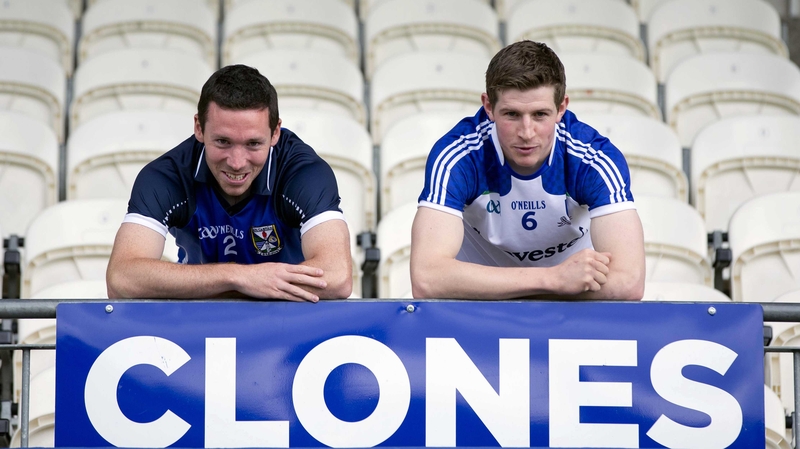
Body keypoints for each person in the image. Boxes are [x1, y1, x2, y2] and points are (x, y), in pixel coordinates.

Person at [410, 41, 645, 300]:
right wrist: (552, 280)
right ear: (488, 107)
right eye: (511, 114)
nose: (526, 132)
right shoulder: (459, 155)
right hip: (482, 307)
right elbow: (426, 278)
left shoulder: (593, 157)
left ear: (562, 108)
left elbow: (628, 281)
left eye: (540, 114)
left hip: (571, 307)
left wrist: (547, 291)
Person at [106, 64, 352, 301]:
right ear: (199, 128)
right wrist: (239, 277)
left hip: (287, 316)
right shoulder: (167, 176)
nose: (236, 162)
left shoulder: (303, 172)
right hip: (202, 316)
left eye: (253, 144)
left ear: (275, 132)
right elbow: (122, 279)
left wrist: (243, 286)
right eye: (223, 141)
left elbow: (337, 276)